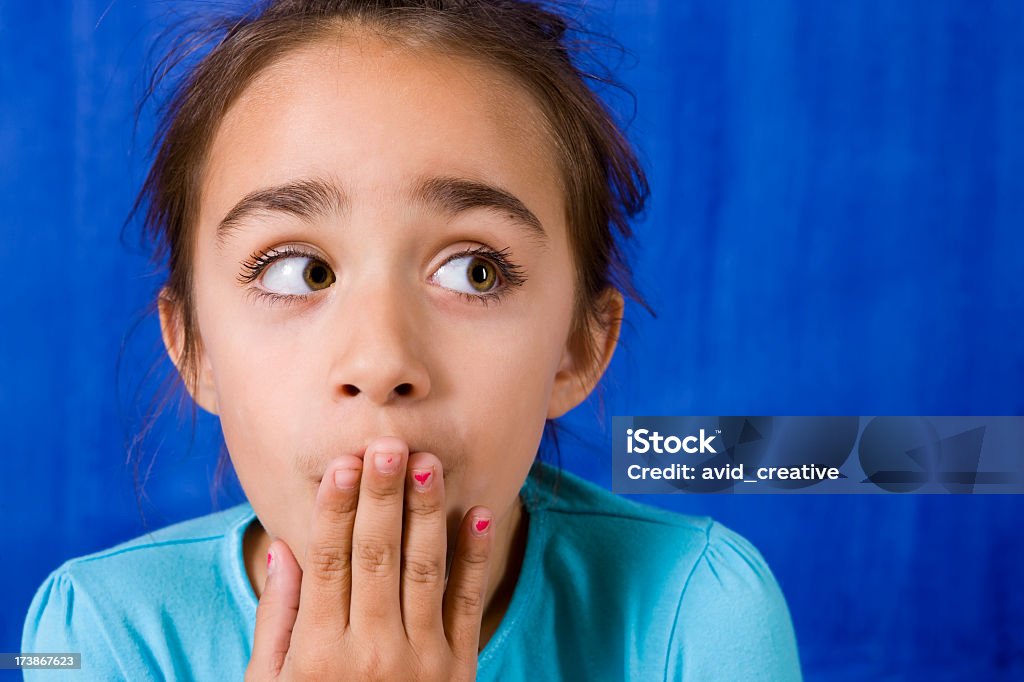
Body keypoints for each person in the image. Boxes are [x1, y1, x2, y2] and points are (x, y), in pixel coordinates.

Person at [22, 1, 802, 679]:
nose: (382, 362)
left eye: (474, 272)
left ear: (579, 348)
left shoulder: (696, 608)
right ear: (193, 349)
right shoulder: (98, 632)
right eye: (298, 270)